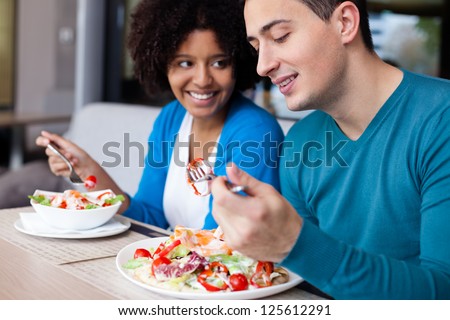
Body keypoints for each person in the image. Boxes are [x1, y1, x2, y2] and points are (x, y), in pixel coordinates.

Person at [211, 0, 450, 299]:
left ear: (345, 23)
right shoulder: (300, 142)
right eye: (257, 46)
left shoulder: (441, 119)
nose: (263, 65)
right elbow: (307, 286)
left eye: (281, 36)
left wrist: (295, 244)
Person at [36, 0, 284, 230]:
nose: (202, 80)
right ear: (162, 64)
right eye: (185, 63)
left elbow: (224, 238)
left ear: (238, 63)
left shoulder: (255, 131)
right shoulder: (171, 118)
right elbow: (149, 218)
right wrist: (88, 168)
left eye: (219, 63)